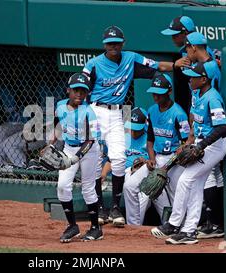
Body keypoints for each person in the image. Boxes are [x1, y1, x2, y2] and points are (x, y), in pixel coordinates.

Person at [83, 25, 174, 227]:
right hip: (95, 112)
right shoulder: (93, 64)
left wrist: (178, 65)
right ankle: (99, 208)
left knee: (119, 158)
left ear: (123, 43)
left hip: (117, 113)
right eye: (109, 43)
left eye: (116, 43)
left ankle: (115, 207)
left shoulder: (131, 58)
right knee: (96, 160)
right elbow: (81, 89)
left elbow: (157, 66)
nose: (113, 46)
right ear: (104, 45)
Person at [151, 61, 226, 245]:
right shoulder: (196, 94)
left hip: (214, 146)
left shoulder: (213, 98)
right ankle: (189, 231)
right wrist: (190, 142)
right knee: (194, 185)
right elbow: (195, 123)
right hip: (201, 144)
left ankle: (173, 223)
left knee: (186, 180)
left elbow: (222, 127)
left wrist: (200, 147)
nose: (190, 80)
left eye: (193, 78)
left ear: (203, 79)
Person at [124, 75, 189, 226]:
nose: (155, 96)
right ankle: (133, 226)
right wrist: (151, 158)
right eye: (154, 92)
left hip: (175, 160)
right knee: (130, 186)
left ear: (169, 91)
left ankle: (180, 228)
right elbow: (150, 139)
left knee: (175, 196)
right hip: (157, 158)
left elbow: (185, 144)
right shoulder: (152, 110)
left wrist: (168, 166)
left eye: (159, 92)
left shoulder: (179, 114)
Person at [46, 73, 103, 242]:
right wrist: (50, 144)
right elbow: (57, 125)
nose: (79, 94)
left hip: (89, 151)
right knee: (63, 186)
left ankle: (95, 228)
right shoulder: (60, 106)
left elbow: (91, 141)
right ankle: (72, 226)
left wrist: (75, 158)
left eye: (83, 91)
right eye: (76, 90)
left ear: (87, 94)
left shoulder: (89, 112)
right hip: (69, 147)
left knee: (87, 188)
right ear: (68, 90)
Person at [184, 32, 225, 238]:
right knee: (213, 175)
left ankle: (214, 223)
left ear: (193, 47)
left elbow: (213, 99)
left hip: (212, 128)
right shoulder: (199, 68)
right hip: (202, 129)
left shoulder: (210, 68)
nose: (185, 51)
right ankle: (214, 222)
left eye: (186, 47)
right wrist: (192, 132)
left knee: (209, 175)